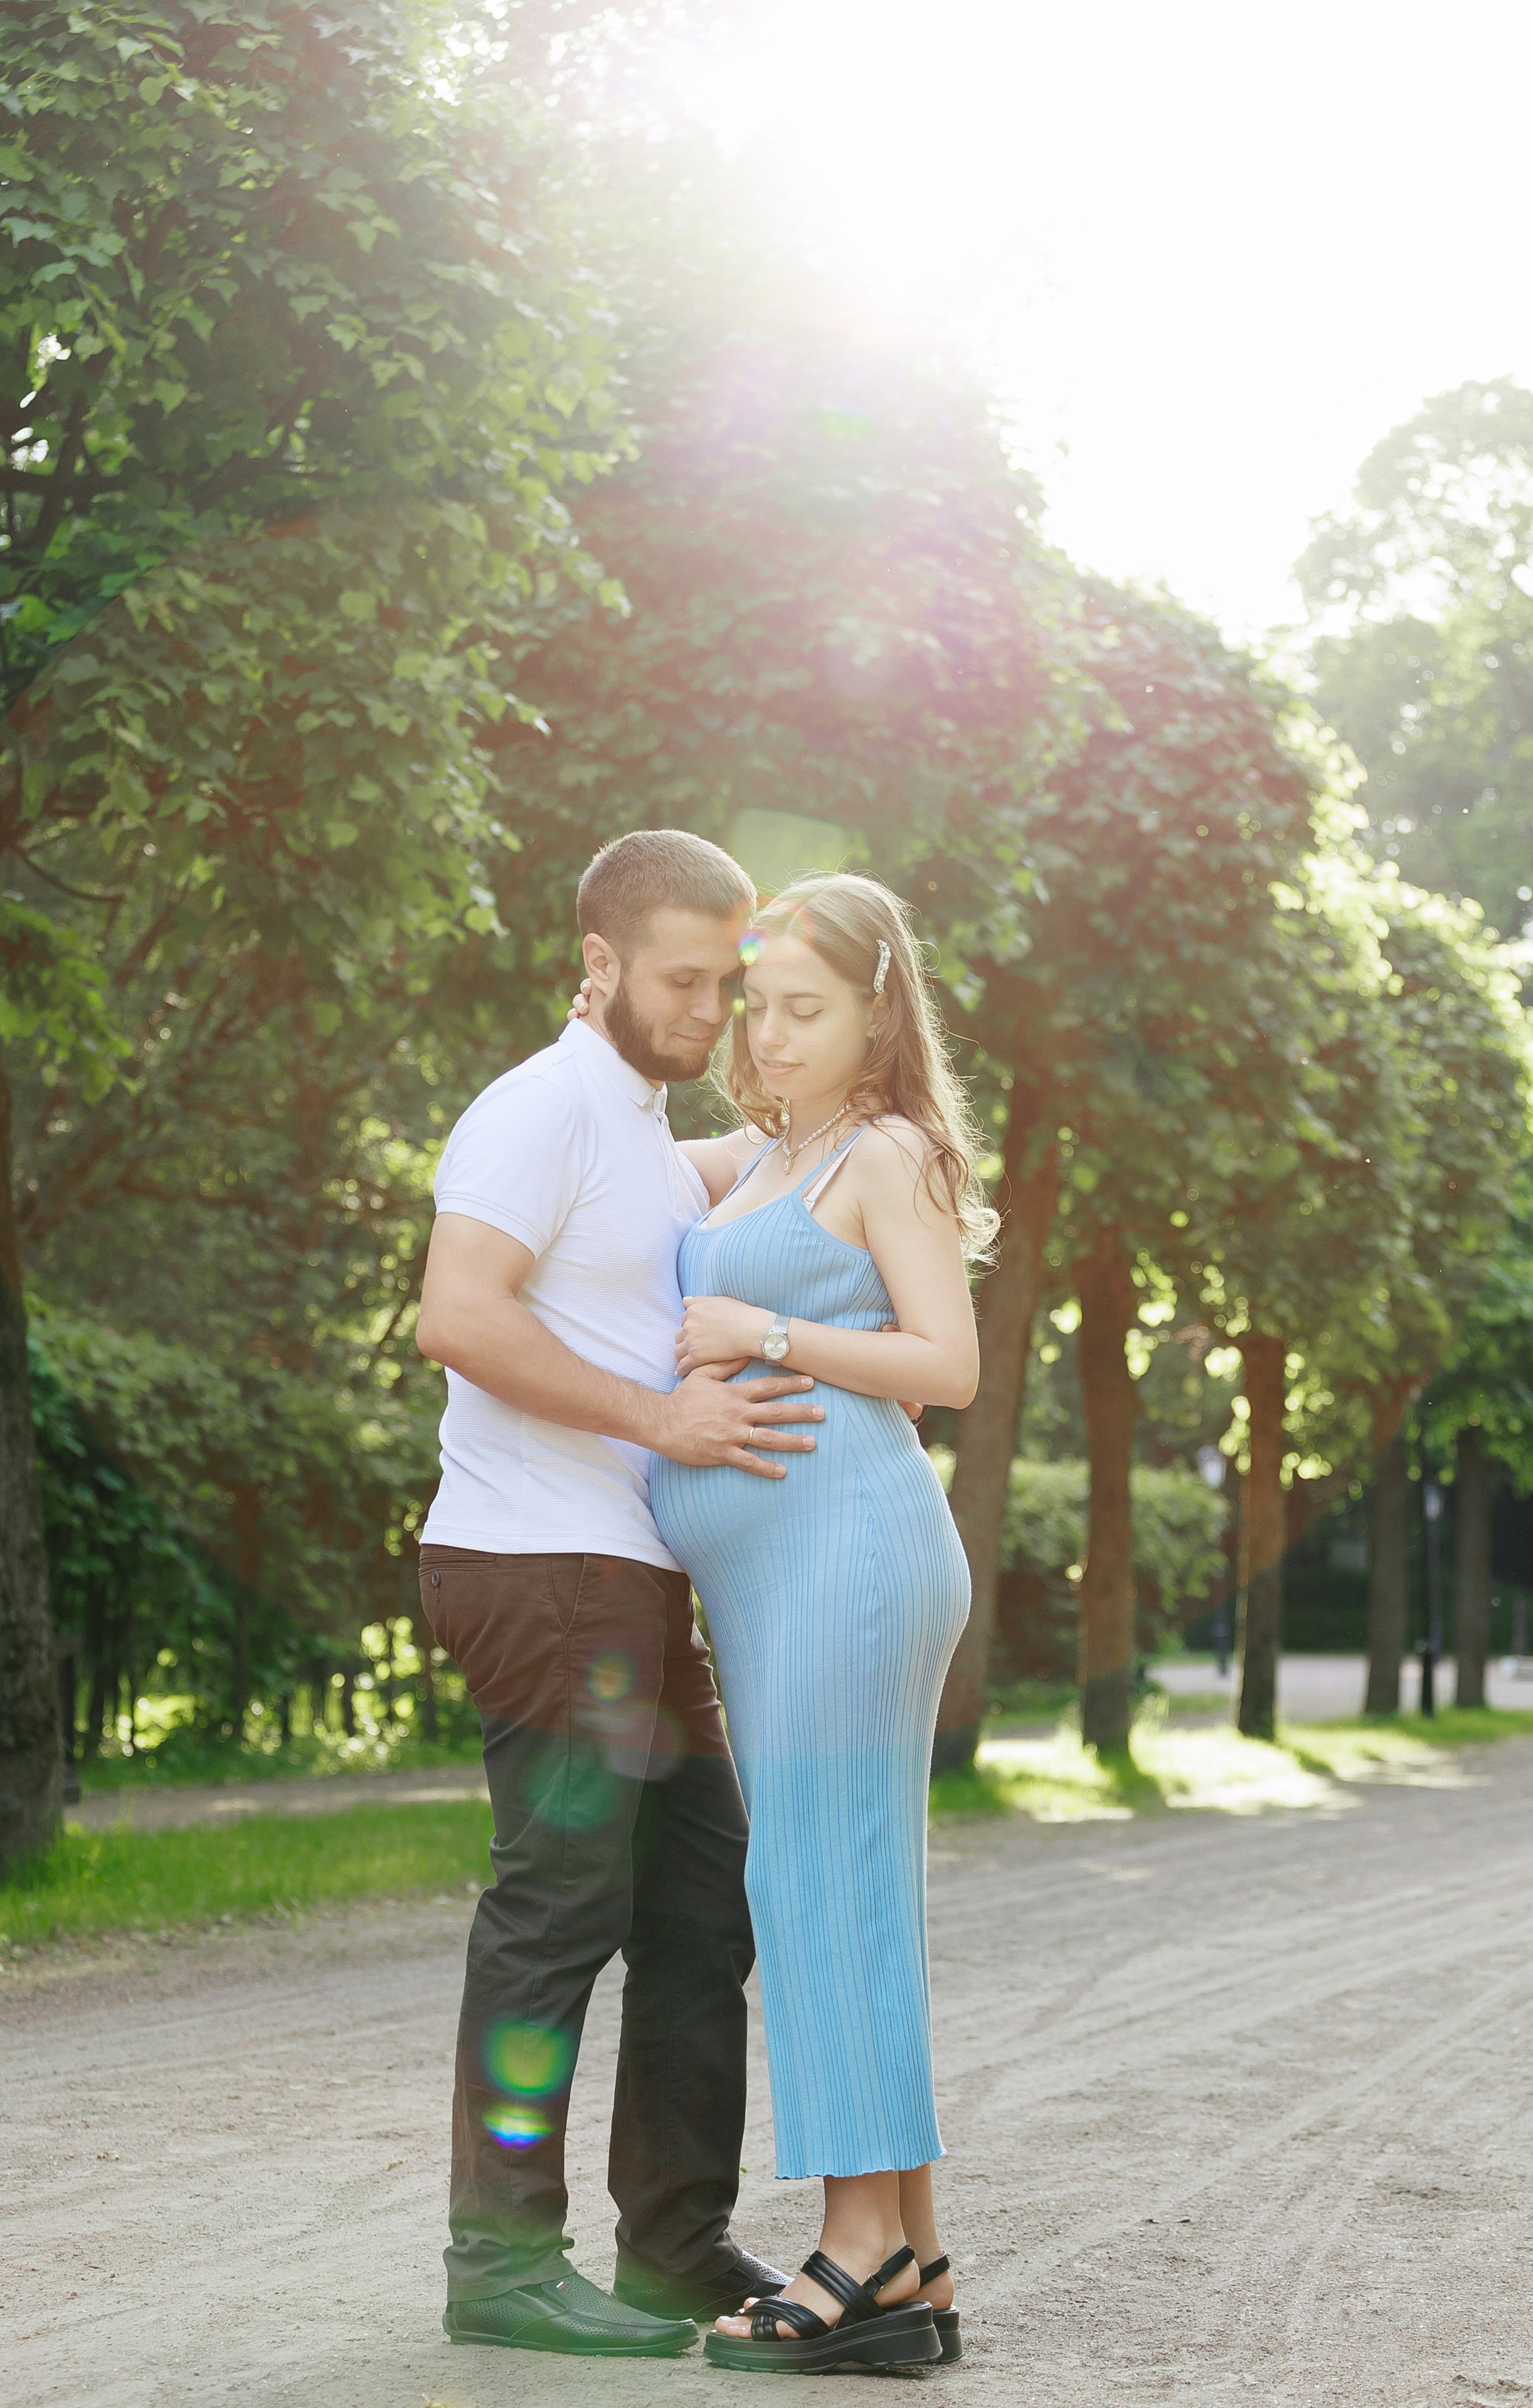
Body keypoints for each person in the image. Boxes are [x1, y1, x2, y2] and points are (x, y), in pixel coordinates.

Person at [413, 828, 826, 2358]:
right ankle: (498, 2265)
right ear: (597, 965)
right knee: (560, 1906)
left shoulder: (642, 1132)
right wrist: (662, 1420)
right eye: (683, 981)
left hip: (627, 1578)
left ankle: (670, 2245)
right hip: (538, 1564)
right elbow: (457, 1315)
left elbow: (747, 1167)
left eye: (730, 984)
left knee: (702, 1900)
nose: (710, 1012)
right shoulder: (540, 1109)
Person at [650, 872, 992, 2376]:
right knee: (836, 1886)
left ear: (875, 1011)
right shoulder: (767, 1154)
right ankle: (907, 2253)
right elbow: (616, 1150)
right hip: (785, 1571)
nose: (771, 1035)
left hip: (849, 1556)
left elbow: (947, 1366)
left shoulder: (886, 1151)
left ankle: (855, 2251)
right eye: (758, 1007)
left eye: (806, 1009)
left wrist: (762, 1333)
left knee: (815, 1884)